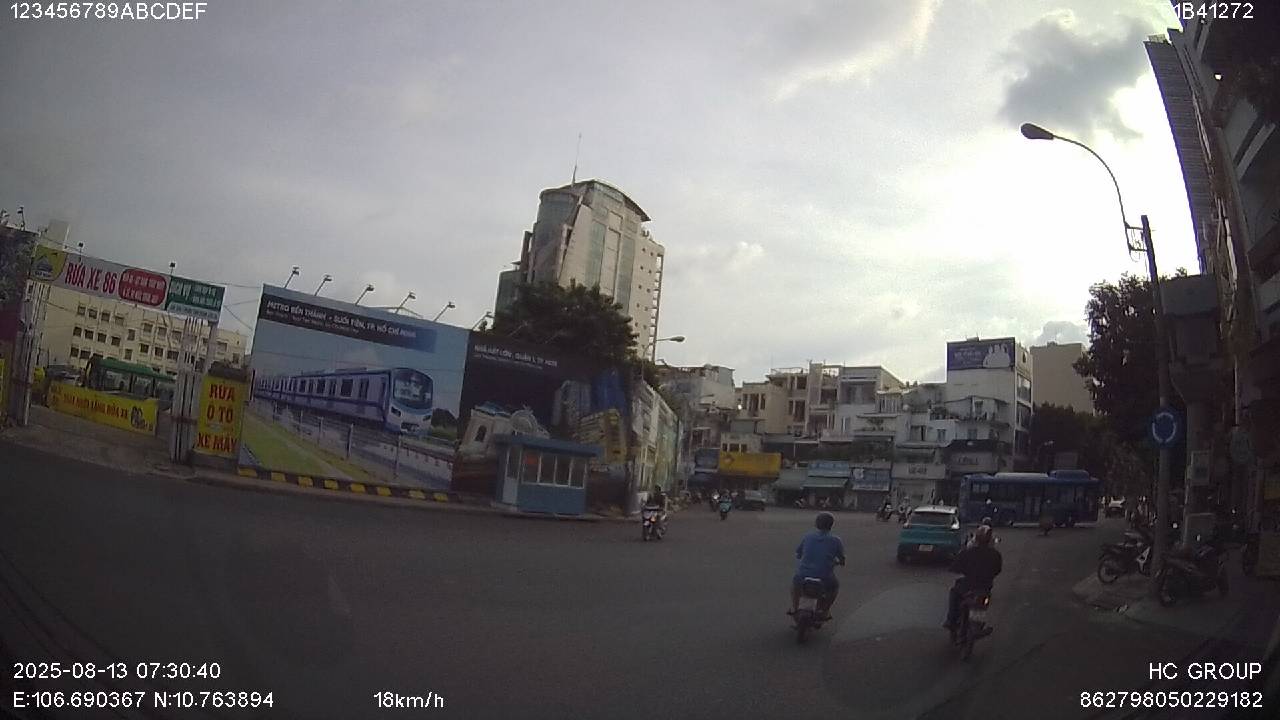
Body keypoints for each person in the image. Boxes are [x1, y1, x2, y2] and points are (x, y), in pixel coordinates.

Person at [944, 524, 1002, 641]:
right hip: (985, 587)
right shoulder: (995, 555)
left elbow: (955, 567)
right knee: (982, 605)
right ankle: (977, 626)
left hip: (967, 586)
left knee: (954, 593)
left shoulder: (967, 553)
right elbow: (997, 570)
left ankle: (951, 620)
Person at [788, 512, 846, 620]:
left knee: (795, 585)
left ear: (816, 524)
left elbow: (798, 554)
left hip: (803, 575)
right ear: (831, 525)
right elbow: (842, 559)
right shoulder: (836, 540)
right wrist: (839, 562)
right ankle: (825, 611)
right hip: (824, 577)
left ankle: (795, 608)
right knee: (834, 588)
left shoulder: (808, 536)